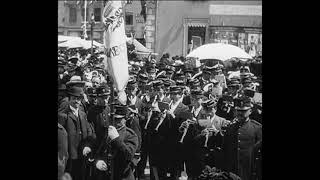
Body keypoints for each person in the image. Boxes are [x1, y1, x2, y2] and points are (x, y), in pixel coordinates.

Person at [58, 86, 96, 180]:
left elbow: (88, 132)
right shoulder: (63, 116)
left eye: (78, 99)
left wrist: (87, 146)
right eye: (74, 98)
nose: (76, 101)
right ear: (69, 99)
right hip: (69, 157)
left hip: (83, 155)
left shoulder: (83, 114)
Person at [93, 105, 139, 180]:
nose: (114, 121)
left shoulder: (130, 135)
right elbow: (99, 151)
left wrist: (116, 139)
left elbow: (128, 155)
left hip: (122, 175)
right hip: (106, 175)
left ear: (125, 119)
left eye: (118, 119)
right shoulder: (106, 132)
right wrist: (98, 161)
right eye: (113, 118)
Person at [222, 96, 262, 180]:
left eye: (243, 111)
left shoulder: (257, 128)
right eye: (238, 111)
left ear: (250, 111)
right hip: (232, 170)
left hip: (249, 170)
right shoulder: (230, 128)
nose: (240, 113)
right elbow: (225, 150)